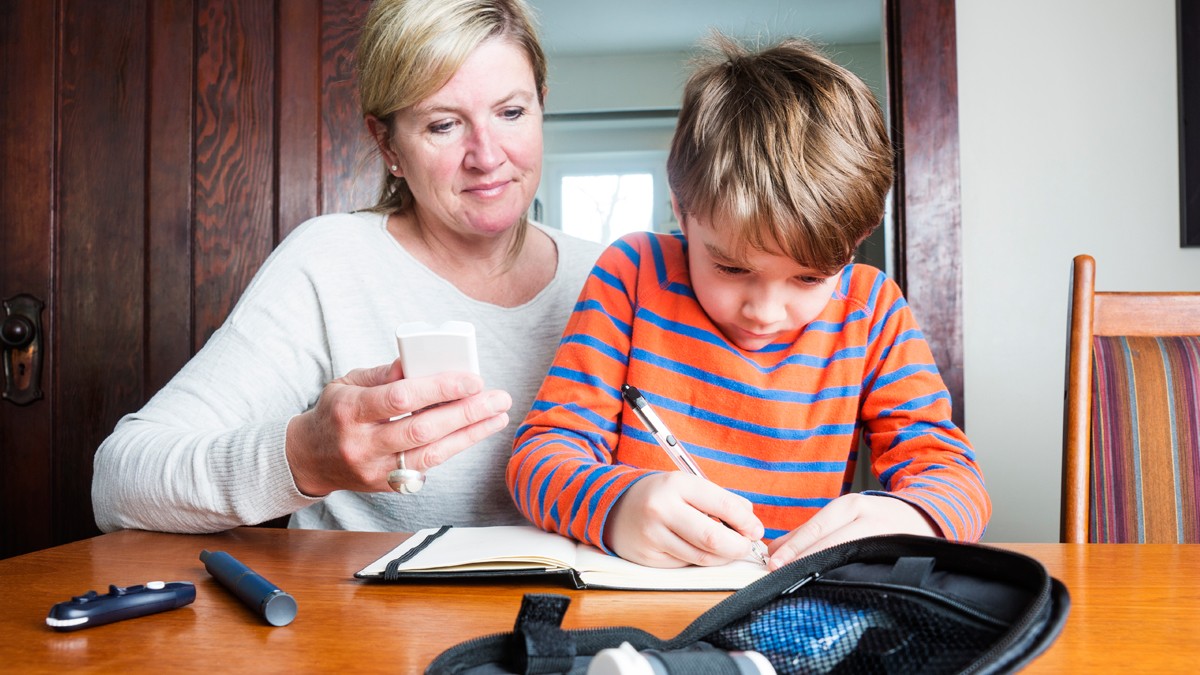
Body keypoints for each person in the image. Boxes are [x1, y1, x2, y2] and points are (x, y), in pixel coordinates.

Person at [92, 0, 600, 534]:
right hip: (370, 618)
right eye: (444, 124)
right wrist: (302, 458)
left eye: (512, 113)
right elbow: (119, 483)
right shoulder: (330, 263)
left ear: (541, 107)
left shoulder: (608, 277)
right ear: (388, 145)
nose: (487, 155)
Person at [507, 34, 991, 571]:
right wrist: (618, 506)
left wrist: (912, 518)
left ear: (858, 239)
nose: (764, 311)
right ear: (681, 208)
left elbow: (954, 478)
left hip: (794, 613)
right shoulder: (634, 275)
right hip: (636, 610)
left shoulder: (872, 309)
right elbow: (541, 456)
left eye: (809, 278)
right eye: (733, 268)